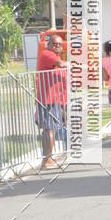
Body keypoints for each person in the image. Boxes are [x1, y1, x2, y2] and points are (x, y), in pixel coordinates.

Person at [36, 33, 67, 170]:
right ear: (48, 44)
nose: (58, 46)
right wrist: (76, 65)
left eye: (60, 44)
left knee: (51, 129)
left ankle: (48, 158)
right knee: (49, 129)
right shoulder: (48, 54)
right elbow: (60, 64)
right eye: (55, 44)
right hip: (48, 100)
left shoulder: (55, 56)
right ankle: (47, 160)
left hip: (56, 100)